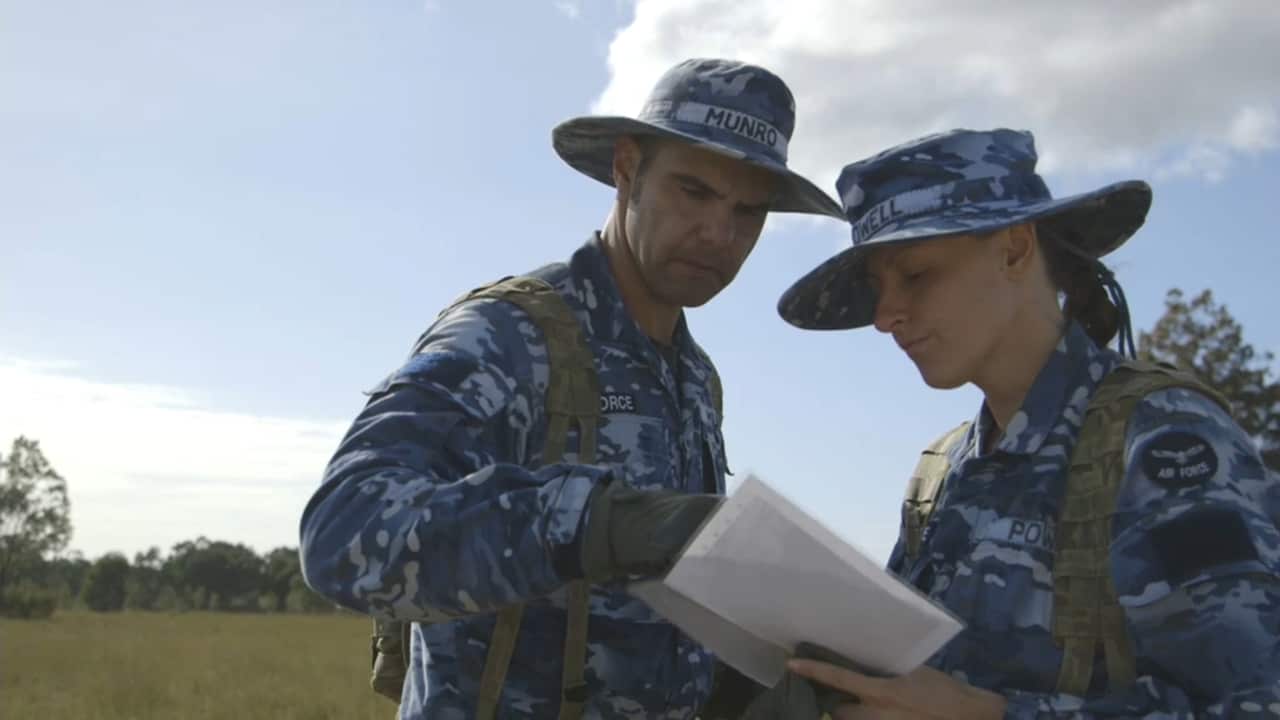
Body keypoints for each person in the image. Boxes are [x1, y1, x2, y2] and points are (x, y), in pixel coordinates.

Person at [298, 57, 843, 720]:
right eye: (693, 192)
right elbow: (343, 532)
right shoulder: (509, 336)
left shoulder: (695, 380)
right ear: (626, 169)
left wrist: (743, 685)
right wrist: (593, 524)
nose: (718, 234)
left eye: (748, 212)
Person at [759, 128, 1280, 718]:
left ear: (1013, 249)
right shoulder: (941, 473)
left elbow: (1254, 702)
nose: (885, 315)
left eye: (916, 275)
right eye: (878, 287)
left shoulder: (1162, 440)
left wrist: (993, 716)